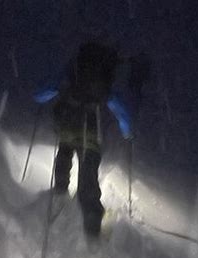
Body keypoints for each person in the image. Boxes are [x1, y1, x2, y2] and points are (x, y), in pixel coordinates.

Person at [33, 41, 133, 246]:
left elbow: (45, 92)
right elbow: (118, 107)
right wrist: (127, 131)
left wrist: (40, 99)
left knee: (64, 152)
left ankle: (60, 192)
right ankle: (92, 230)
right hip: (90, 131)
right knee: (88, 179)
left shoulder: (73, 72)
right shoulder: (103, 81)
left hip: (68, 125)